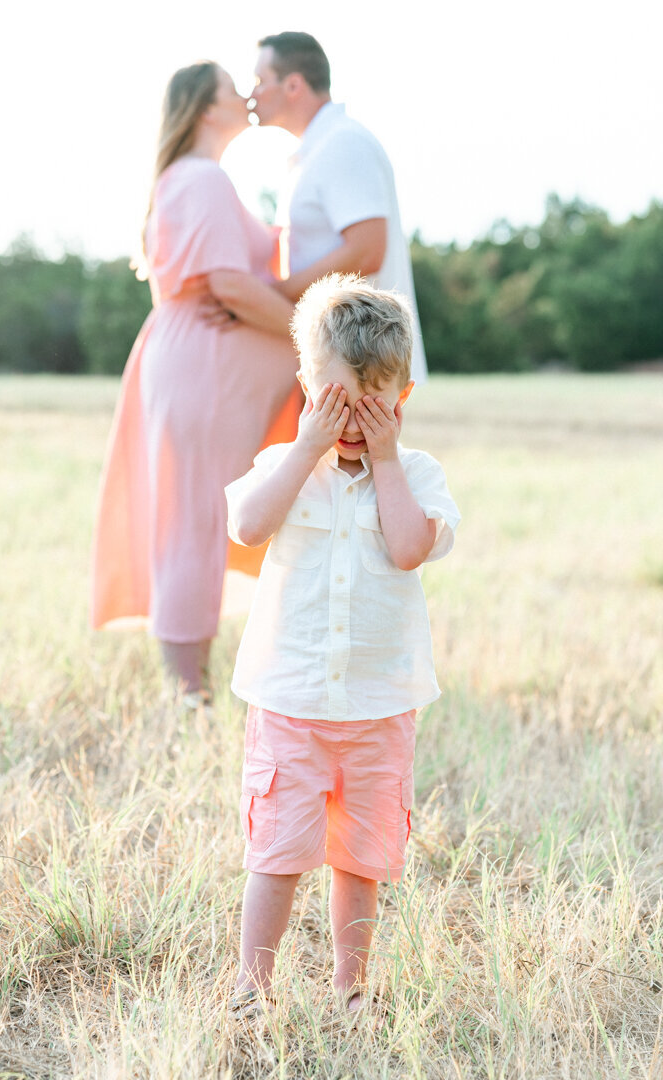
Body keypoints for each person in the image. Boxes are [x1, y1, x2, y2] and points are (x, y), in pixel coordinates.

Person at [224, 275, 459, 1017]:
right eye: (335, 399)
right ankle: (250, 988)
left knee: (359, 859)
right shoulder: (285, 468)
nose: (353, 420)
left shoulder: (416, 474)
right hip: (291, 701)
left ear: (404, 398)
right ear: (306, 387)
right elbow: (247, 528)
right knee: (278, 854)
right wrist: (305, 446)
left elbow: (410, 547)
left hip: (377, 707)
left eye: (373, 403)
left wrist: (386, 462)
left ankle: (349, 986)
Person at [90, 62, 301, 699]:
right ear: (206, 108)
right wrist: (319, 337)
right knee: (196, 518)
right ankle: (187, 691)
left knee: (197, 515)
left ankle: (190, 684)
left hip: (197, 362)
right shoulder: (202, 178)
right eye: (231, 87)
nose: (244, 93)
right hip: (202, 365)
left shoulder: (194, 179)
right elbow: (229, 285)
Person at [251, 31, 428, 384]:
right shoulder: (315, 152)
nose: (251, 94)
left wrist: (273, 295)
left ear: (293, 85)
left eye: (259, 81)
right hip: (341, 363)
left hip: (365, 370)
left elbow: (366, 252)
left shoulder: (343, 144)